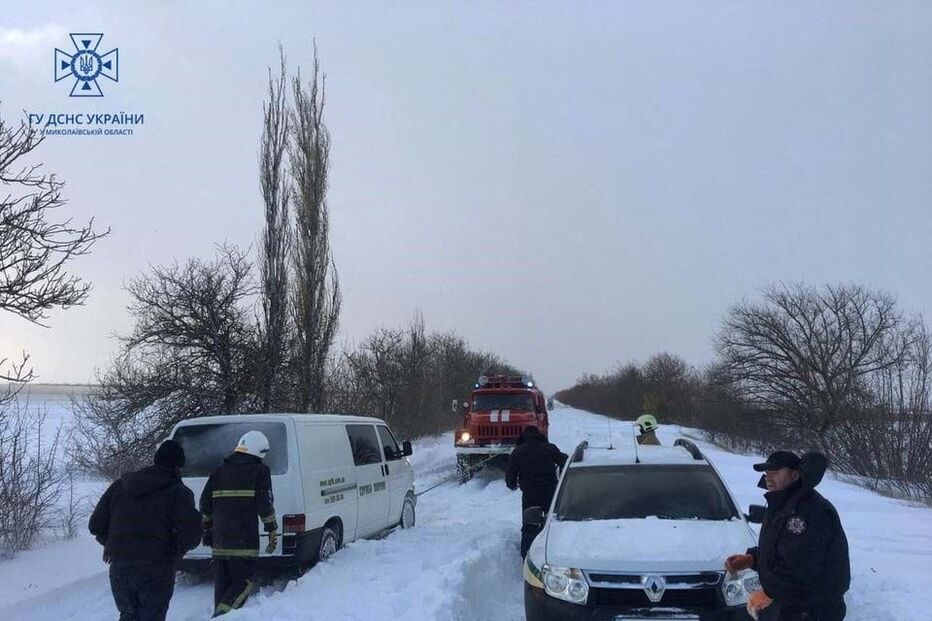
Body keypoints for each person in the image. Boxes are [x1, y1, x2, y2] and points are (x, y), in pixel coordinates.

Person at [724, 451, 850, 621]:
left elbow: (801, 566)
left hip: (812, 609)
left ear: (794, 475)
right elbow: (780, 547)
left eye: (775, 473)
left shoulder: (809, 511)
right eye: (767, 473)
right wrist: (752, 558)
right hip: (791, 604)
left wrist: (768, 594)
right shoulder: (783, 504)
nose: (769, 478)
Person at [89, 439, 202, 621]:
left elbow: (96, 525)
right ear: (177, 467)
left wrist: (113, 544)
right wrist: (176, 551)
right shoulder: (178, 492)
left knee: (128, 616)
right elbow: (192, 534)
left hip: (120, 568)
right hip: (156, 568)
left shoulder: (121, 485)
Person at [201, 430, 278, 616]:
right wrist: (272, 529)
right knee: (242, 585)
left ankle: (219, 614)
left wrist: (209, 528)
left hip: (219, 545)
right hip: (245, 544)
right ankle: (219, 618)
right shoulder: (260, 471)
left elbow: (205, 504)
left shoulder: (218, 472)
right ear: (259, 451)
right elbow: (264, 503)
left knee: (222, 590)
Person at [505, 426, 568, 558]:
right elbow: (565, 460)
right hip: (550, 492)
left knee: (529, 526)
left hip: (530, 495)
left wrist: (512, 485)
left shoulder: (517, 452)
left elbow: (510, 475)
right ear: (539, 436)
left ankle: (527, 558)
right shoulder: (550, 448)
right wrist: (562, 477)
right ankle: (554, 554)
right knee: (553, 524)